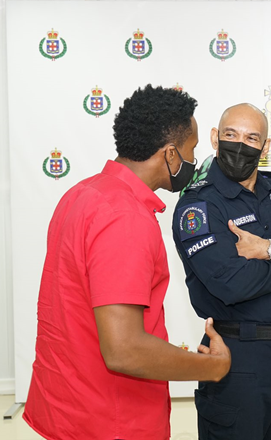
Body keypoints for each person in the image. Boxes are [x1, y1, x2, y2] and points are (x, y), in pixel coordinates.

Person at [23, 85, 232, 440]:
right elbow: (124, 350)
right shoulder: (125, 217)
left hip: (66, 409)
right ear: (170, 154)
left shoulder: (80, 194)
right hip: (112, 420)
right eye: (191, 149)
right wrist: (211, 367)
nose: (194, 161)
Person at [172, 103, 271, 440]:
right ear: (215, 138)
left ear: (265, 146)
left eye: (251, 138)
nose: (240, 145)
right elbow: (232, 284)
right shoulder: (199, 205)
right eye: (231, 135)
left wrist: (269, 249)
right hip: (236, 355)